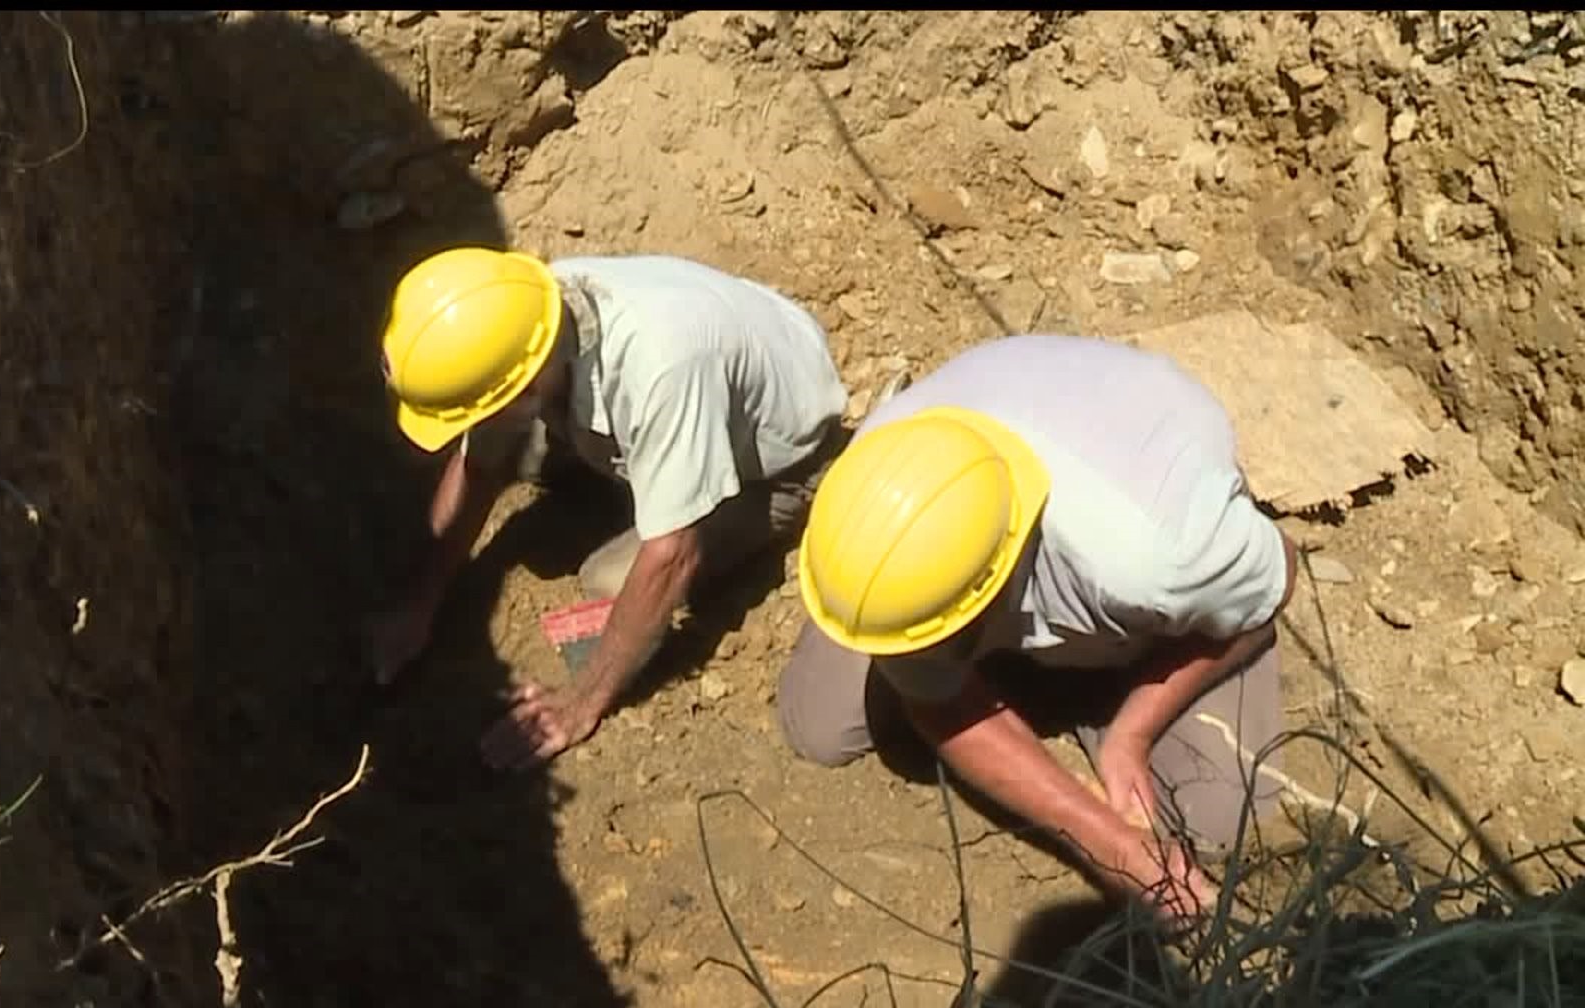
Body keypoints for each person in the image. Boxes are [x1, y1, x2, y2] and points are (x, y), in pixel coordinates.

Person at [778, 333, 1299, 922]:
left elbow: (1277, 583)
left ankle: (1090, 686)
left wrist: (1134, 730)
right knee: (817, 721)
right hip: (1007, 498)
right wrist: (1103, 837)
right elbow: (938, 700)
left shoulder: (1158, 559)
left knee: (1214, 818)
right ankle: (1046, 688)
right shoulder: (888, 475)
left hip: (1138, 492)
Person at [366, 246, 848, 771]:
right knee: (518, 454)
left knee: (610, 581)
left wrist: (578, 704)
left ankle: (789, 497)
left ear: (522, 386)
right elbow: (480, 465)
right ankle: (647, 476)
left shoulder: (662, 371)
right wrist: (420, 601)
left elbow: (671, 556)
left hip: (779, 457)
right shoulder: (521, 317)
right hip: (710, 362)